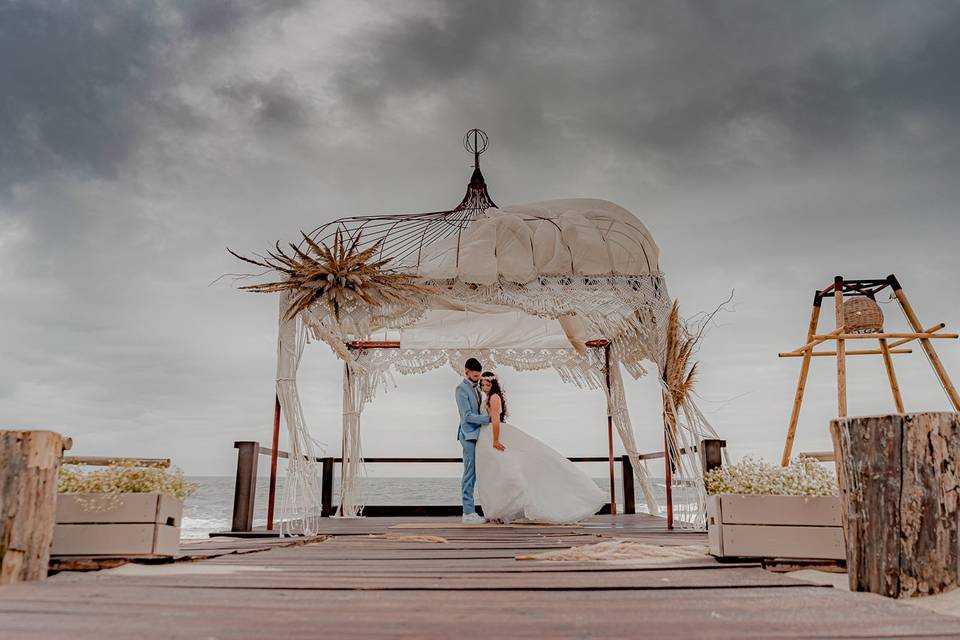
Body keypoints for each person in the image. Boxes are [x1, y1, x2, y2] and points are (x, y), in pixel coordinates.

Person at [475, 371, 606, 523]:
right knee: (497, 473)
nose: (484, 387)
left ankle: (504, 509)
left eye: (487, 384)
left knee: (507, 471)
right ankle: (501, 511)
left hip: (494, 434)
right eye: (483, 384)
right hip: (486, 435)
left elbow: (496, 420)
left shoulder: (495, 397)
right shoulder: (489, 397)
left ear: (493, 384)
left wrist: (496, 440)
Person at [455, 358, 489, 525]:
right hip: (468, 435)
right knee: (470, 473)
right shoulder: (460, 389)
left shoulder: (477, 388)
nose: (477, 379)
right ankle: (467, 512)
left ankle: (475, 510)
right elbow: (467, 416)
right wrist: (488, 419)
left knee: (479, 472)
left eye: (478, 376)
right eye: (474, 376)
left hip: (478, 435)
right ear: (466, 372)